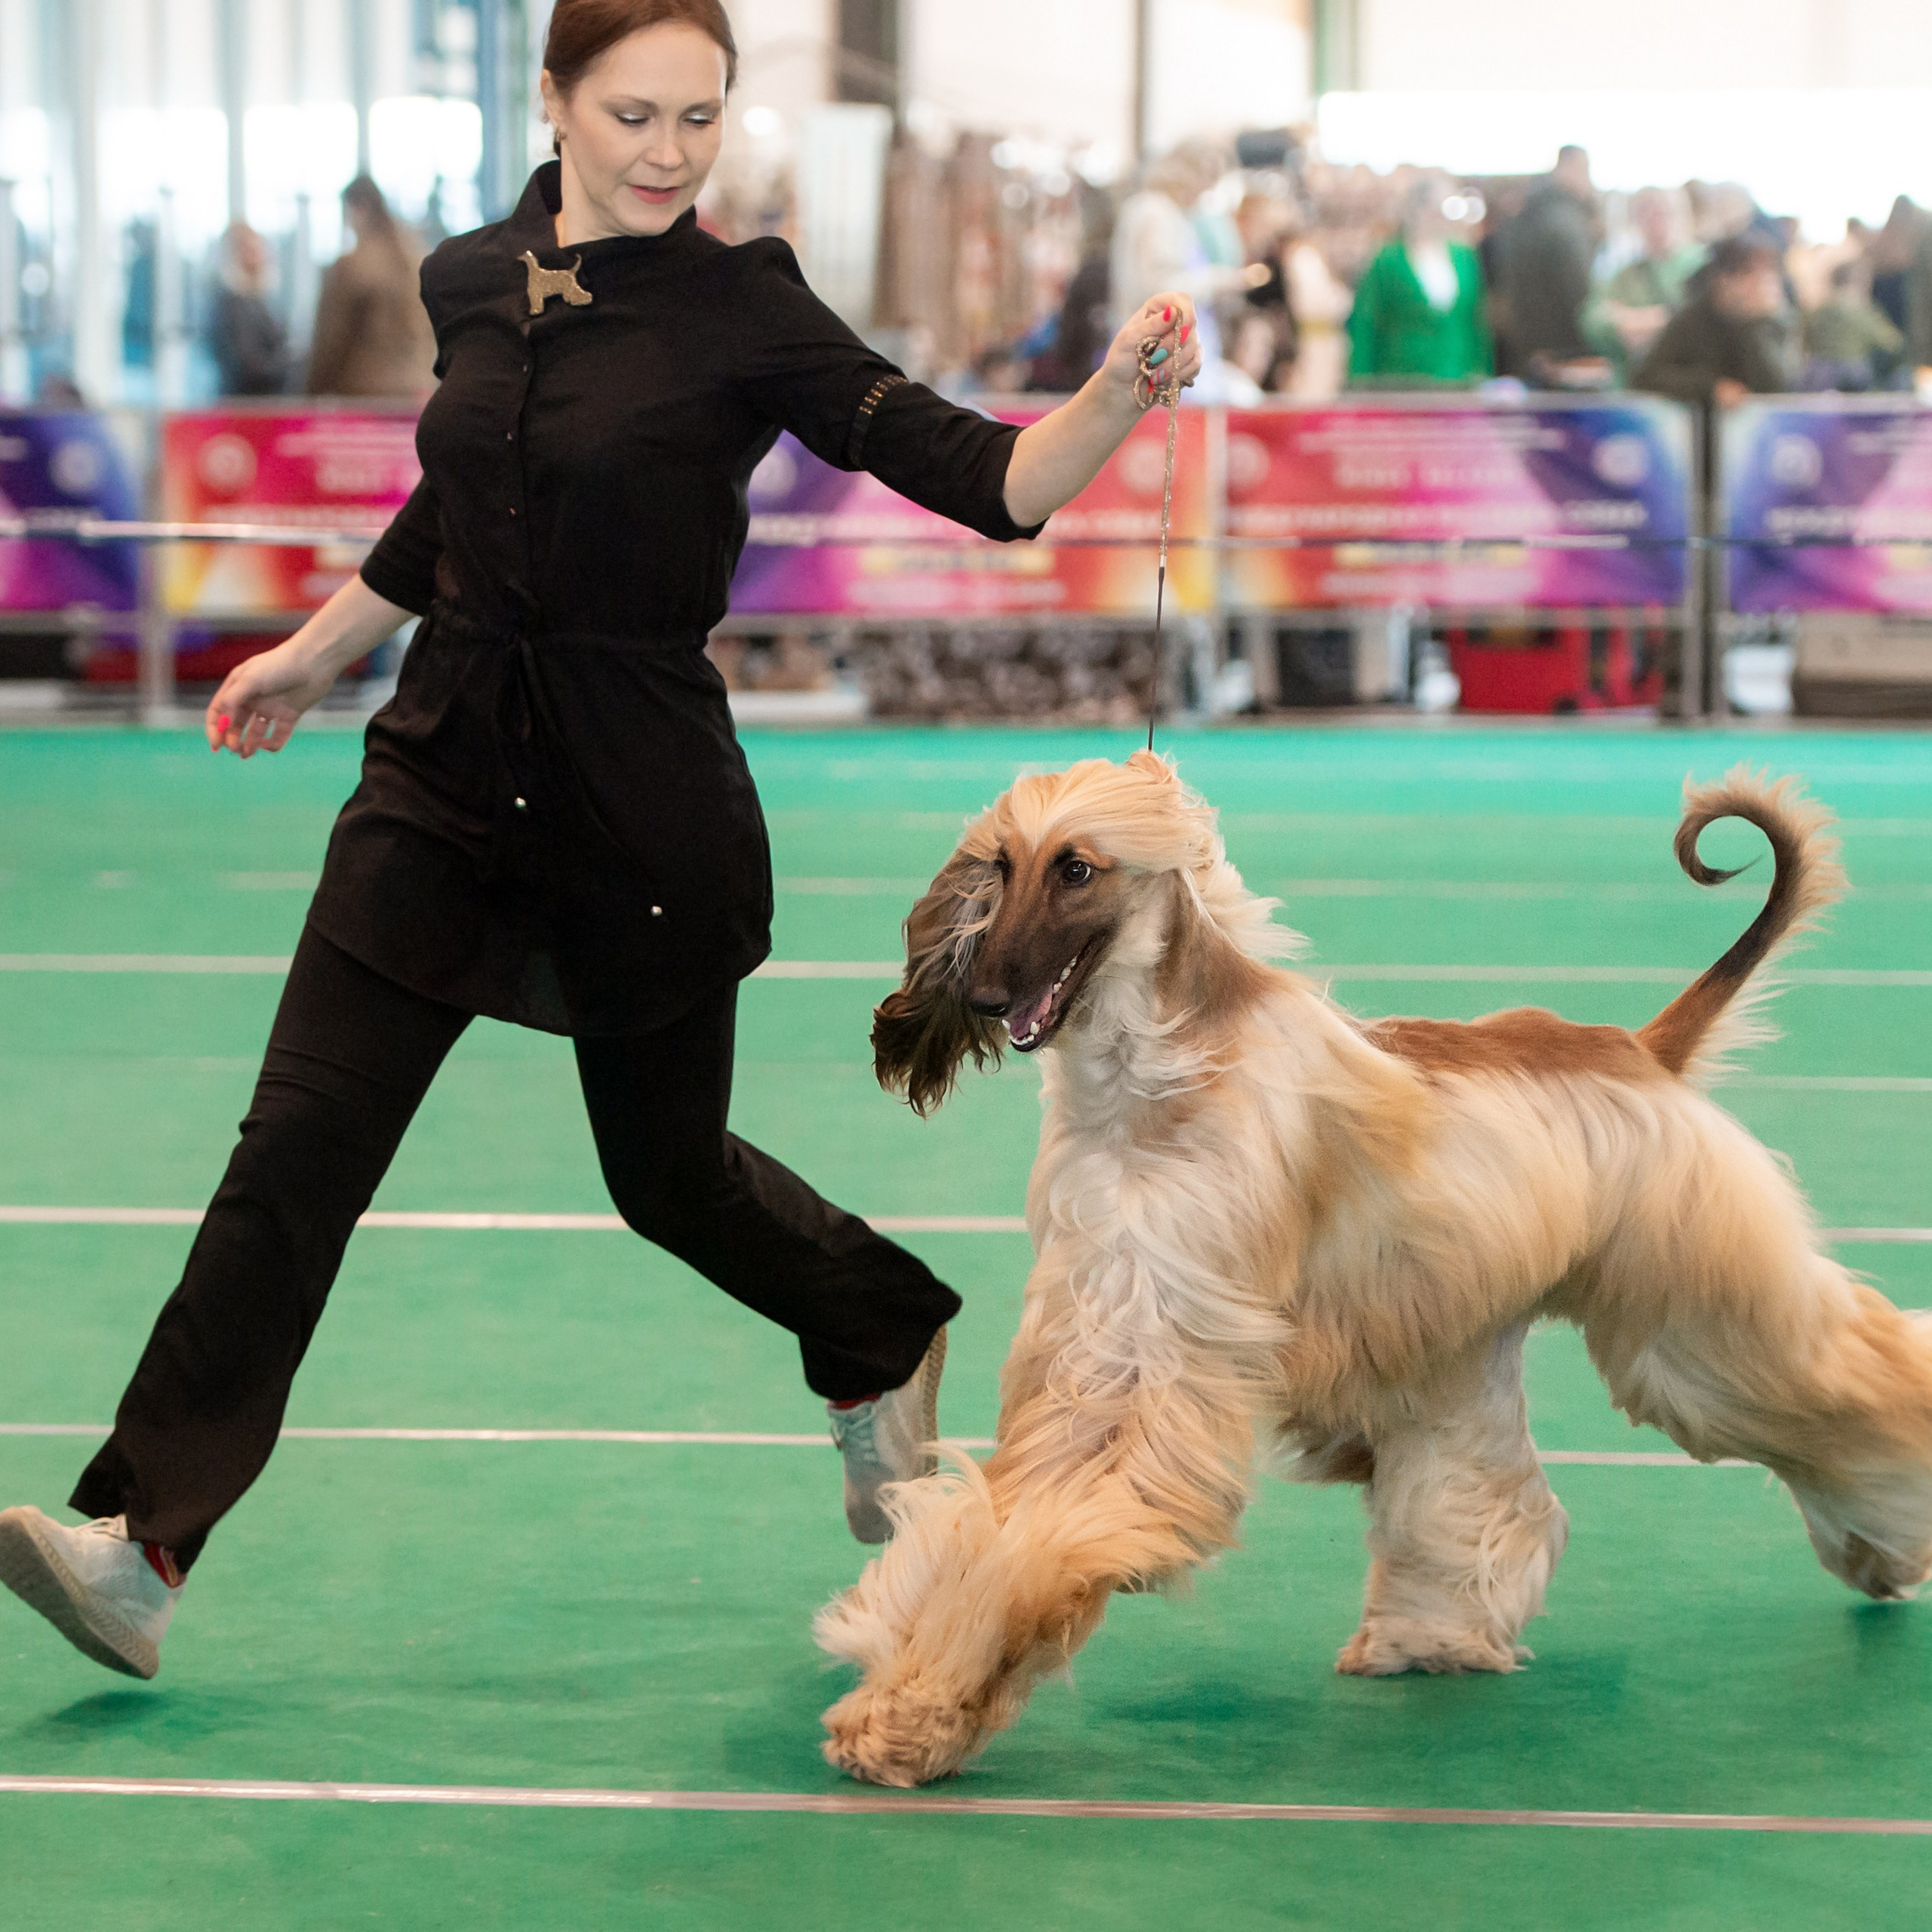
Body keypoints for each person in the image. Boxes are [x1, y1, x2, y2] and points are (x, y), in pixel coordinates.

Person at [0, 0, 1203, 1683]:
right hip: (430, 784)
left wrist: (1115, 392)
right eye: (634, 113)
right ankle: (140, 1541)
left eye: (699, 119)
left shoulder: (742, 308)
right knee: (292, 1157)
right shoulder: (468, 281)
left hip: (635, 801)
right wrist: (313, 651)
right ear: (553, 98)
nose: (667, 150)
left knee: (667, 1178)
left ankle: (875, 1319)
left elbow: (989, 482)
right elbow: (454, 503)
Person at [1346, 174, 1491, 386]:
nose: (1440, 219)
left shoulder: (1463, 257)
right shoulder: (1387, 259)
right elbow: (1366, 325)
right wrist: (1360, 382)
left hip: (1458, 377)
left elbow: (1477, 322)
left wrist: (1482, 373)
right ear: (1416, 209)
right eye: (1434, 210)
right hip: (1402, 380)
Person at [306, 175, 436, 399]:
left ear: (357, 209)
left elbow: (331, 341)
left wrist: (311, 391)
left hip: (364, 391)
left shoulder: (352, 266)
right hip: (417, 391)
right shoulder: (418, 260)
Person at [1632, 234, 1796, 411]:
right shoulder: (1692, 320)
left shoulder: (1771, 322)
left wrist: (1755, 324)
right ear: (1724, 279)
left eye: (1767, 274)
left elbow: (1777, 386)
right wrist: (1711, 387)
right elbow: (1648, 375)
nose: (1760, 284)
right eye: (1749, 274)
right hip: (1700, 430)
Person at [1494, 145, 1600, 383]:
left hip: (1527, 348)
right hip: (1567, 351)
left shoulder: (1524, 214)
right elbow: (1580, 291)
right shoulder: (1567, 220)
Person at [1583, 187, 1702, 381]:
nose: (1656, 221)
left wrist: (1649, 319)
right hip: (1635, 382)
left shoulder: (1701, 265)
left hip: (1688, 383)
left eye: (1663, 212)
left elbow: (1700, 321)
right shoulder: (1623, 274)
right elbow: (1594, 319)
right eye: (1647, 213)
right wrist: (1622, 324)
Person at [209, 223, 293, 398]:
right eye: (249, 248)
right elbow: (249, 365)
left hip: (268, 399)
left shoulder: (263, 298)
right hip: (245, 402)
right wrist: (291, 361)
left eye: (259, 247)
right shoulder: (231, 302)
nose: (258, 254)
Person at [1803, 260, 1904, 392]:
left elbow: (1805, 339)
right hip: (1852, 377)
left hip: (1817, 375)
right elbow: (1892, 342)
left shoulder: (1819, 310)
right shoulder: (1862, 310)